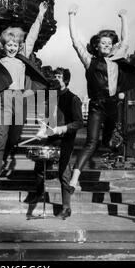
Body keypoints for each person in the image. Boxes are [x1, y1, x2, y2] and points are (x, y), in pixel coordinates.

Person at [0, 2, 49, 197]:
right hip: (2, 101)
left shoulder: (23, 57)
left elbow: (32, 37)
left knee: (14, 138)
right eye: (9, 45)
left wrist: (40, 14)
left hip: (20, 101)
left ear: (18, 46)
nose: (12, 47)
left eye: (15, 45)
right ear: (3, 46)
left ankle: (4, 155)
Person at [67, 6, 135, 193]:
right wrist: (71, 16)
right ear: (97, 46)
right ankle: (74, 177)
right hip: (96, 106)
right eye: (103, 43)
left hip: (113, 107)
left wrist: (123, 17)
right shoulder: (89, 61)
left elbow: (125, 40)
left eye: (109, 43)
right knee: (91, 142)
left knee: (109, 140)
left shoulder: (118, 58)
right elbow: (76, 41)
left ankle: (112, 145)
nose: (107, 46)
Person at [28, 68, 83, 219]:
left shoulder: (73, 98)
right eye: (55, 76)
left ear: (65, 80)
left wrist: (63, 128)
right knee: (39, 167)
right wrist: (42, 130)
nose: (56, 79)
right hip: (52, 138)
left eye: (59, 76)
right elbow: (47, 119)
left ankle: (66, 207)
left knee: (64, 172)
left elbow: (79, 122)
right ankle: (40, 195)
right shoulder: (52, 97)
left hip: (66, 139)